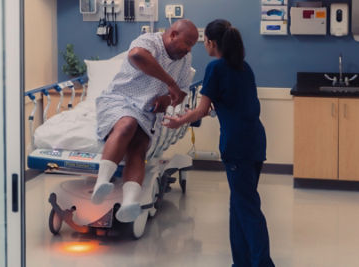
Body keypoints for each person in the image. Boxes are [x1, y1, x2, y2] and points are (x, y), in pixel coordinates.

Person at [163, 19, 275, 267]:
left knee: (246, 208)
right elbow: (239, 103)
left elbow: (201, 110)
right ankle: (242, 262)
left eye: (203, 41)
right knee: (239, 204)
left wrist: (179, 120)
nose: (203, 46)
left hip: (237, 145)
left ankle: (263, 263)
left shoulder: (216, 68)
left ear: (212, 43)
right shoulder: (245, 68)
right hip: (255, 140)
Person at [92, 19, 199, 224]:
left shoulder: (185, 60)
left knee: (139, 147)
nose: (188, 49)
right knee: (127, 125)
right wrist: (170, 83)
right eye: (187, 43)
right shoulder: (149, 41)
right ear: (173, 34)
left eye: (192, 45)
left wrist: (166, 99)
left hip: (148, 111)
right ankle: (102, 182)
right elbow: (137, 56)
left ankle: (130, 203)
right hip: (119, 99)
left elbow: (182, 94)